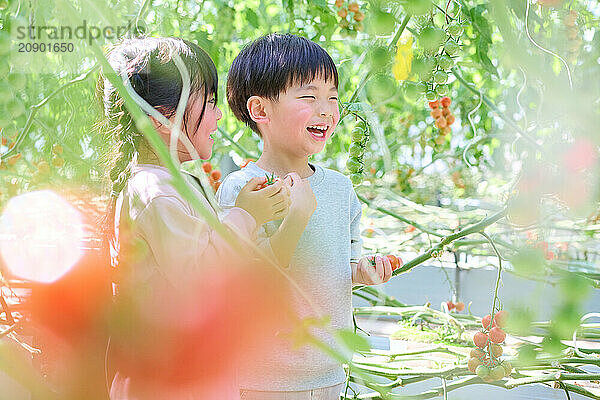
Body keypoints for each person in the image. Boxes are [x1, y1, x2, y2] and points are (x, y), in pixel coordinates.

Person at [98, 36, 290, 400]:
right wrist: (246, 216)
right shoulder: (154, 192)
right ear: (160, 117)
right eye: (211, 102)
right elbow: (201, 279)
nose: (219, 116)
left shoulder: (165, 183)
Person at [217, 33, 393, 400]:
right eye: (309, 96)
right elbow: (246, 283)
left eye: (332, 97)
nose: (327, 110)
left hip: (330, 373)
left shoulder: (341, 188)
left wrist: (361, 271)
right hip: (261, 380)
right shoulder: (243, 190)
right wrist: (296, 215)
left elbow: (341, 264)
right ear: (261, 111)